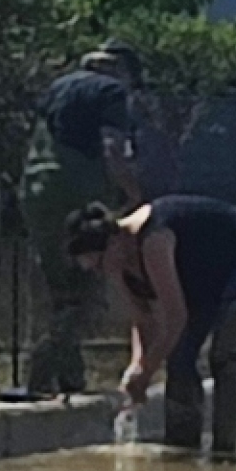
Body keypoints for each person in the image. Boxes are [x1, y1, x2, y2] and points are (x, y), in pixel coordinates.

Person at [67, 195, 236, 459]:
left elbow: (175, 318)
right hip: (200, 274)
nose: (102, 273)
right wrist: (137, 366)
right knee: (180, 358)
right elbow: (143, 319)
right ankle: (183, 447)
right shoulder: (117, 263)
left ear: (113, 243)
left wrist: (147, 372)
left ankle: (224, 449)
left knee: (223, 356)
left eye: (100, 264)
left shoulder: (153, 240)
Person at [22, 45, 144, 396]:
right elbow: (113, 149)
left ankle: (67, 379)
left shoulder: (57, 87)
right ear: (121, 72)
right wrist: (135, 196)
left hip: (36, 190)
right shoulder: (111, 91)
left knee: (56, 287)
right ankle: (43, 363)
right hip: (79, 193)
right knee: (89, 289)